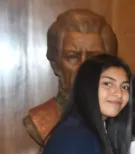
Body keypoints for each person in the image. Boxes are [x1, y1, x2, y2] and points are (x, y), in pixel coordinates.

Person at [23, 9, 118, 146]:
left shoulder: (120, 117)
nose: (84, 66)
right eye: (73, 57)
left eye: (94, 58)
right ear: (55, 65)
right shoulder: (41, 120)